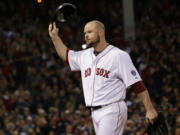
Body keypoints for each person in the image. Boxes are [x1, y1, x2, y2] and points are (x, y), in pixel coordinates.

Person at [48, 20, 158, 135]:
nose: (86, 35)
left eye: (89, 32)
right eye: (85, 33)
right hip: (94, 112)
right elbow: (66, 55)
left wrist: (149, 109)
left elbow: (136, 83)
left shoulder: (118, 55)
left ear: (101, 32)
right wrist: (55, 37)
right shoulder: (84, 55)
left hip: (112, 109)